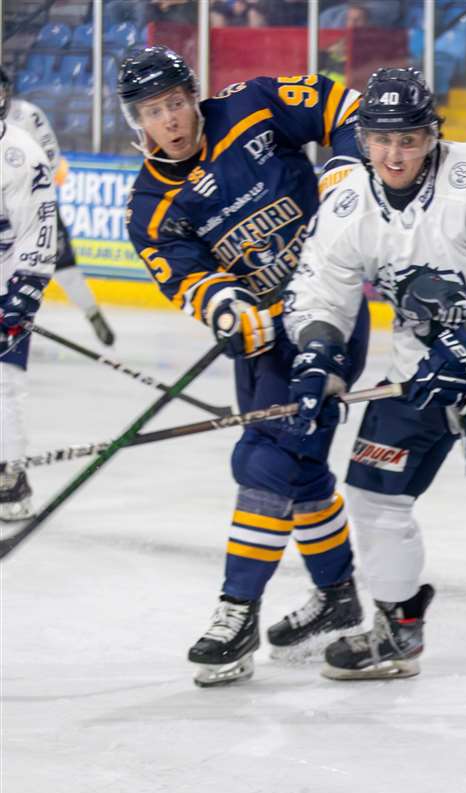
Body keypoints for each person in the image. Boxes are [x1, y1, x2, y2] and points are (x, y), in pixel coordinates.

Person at [283, 69, 466, 715]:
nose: (395, 154)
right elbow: (319, 293)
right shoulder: (350, 202)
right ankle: (396, 630)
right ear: (362, 138)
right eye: (381, 140)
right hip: (418, 369)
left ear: (432, 135)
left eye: (409, 138)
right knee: (372, 495)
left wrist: (464, 352)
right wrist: (319, 362)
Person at [120, 46, 371, 687]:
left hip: (326, 310)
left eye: (176, 102)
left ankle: (237, 614)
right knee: (298, 465)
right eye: (155, 111)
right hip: (263, 339)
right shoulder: (149, 204)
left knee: (267, 460)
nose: (171, 119)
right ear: (138, 122)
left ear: (192, 95)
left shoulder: (251, 104)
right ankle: (338, 596)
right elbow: (184, 277)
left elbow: (344, 106)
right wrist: (226, 306)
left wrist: (344, 170)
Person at [0, 66, 116, 347]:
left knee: (62, 266)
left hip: (31, 205)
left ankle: (92, 313)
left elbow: (50, 153)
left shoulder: (27, 114)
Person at [0, 104, 59, 522]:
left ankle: (8, 473)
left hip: (5, 280)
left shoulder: (21, 154)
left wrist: (21, 293)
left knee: (3, 380)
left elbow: (37, 230)